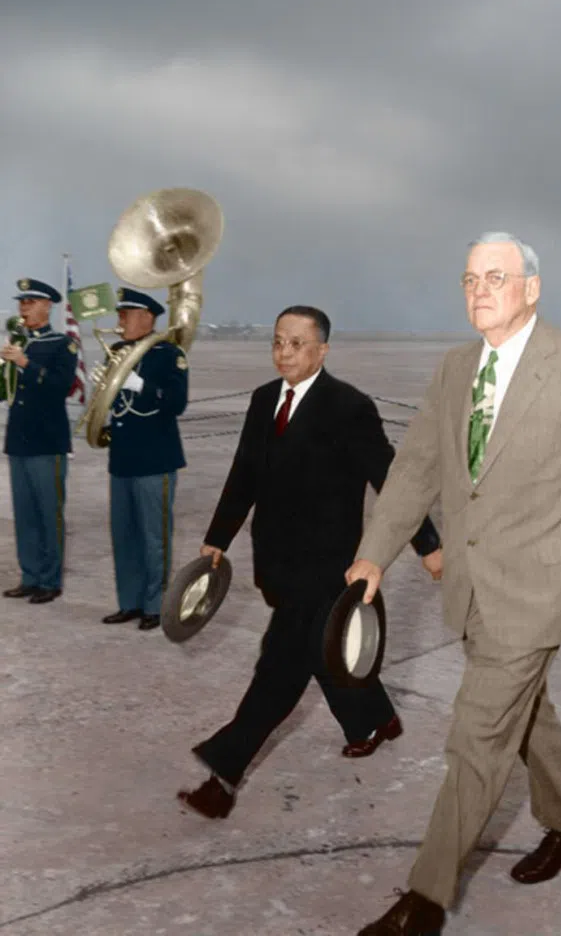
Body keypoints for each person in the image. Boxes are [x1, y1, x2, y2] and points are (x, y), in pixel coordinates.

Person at [346, 232, 561, 936]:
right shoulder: (454, 369)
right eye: (468, 279)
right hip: (470, 585)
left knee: (476, 735)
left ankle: (424, 901)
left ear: (532, 287)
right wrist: (374, 553)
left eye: (496, 276)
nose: (479, 290)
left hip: (537, 590)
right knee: (527, 712)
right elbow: (416, 467)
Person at [176, 305, 442, 820]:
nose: (285, 353)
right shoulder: (261, 401)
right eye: (278, 342)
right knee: (325, 653)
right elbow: (244, 474)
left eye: (297, 344)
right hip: (275, 560)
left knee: (278, 667)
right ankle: (376, 719)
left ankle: (223, 774)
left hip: (327, 568)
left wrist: (428, 543)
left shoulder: (349, 406)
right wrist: (218, 538)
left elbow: (391, 481)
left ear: (322, 350)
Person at [100, 288, 188, 631]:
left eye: (126, 314)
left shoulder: (168, 355)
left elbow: (176, 403)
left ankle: (154, 604)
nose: (120, 320)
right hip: (122, 457)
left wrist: (141, 386)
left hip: (155, 459)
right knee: (124, 535)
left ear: (147, 317)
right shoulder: (117, 352)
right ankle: (130, 602)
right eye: (120, 314)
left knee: (154, 536)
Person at [2, 278, 78, 604]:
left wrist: (25, 363)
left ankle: (50, 580)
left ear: (47, 305)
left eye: (31, 302)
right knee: (25, 514)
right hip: (19, 441)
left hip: (48, 443)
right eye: (22, 302)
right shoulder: (16, 342)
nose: (24, 307)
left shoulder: (62, 344)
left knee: (49, 513)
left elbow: (62, 386)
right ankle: (30, 576)